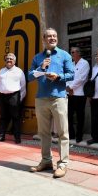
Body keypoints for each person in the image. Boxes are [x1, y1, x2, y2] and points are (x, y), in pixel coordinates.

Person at [28, 28, 74, 178]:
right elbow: (29, 76)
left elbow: (72, 74)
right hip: (41, 98)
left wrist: (58, 76)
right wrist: (41, 67)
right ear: (44, 39)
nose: (52, 38)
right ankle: (46, 161)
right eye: (49, 36)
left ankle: (63, 164)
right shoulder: (38, 57)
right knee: (44, 133)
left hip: (58, 98)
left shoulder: (64, 55)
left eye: (54, 36)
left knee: (62, 133)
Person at [0, 53, 26, 144]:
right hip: (3, 96)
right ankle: (1, 136)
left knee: (16, 117)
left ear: (14, 61)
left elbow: (23, 86)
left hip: (14, 96)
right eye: (7, 58)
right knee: (3, 117)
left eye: (11, 59)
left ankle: (17, 137)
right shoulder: (1, 71)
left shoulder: (19, 71)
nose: (9, 60)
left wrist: (20, 99)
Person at [66, 47, 90, 143]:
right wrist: (68, 87)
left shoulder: (85, 63)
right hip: (70, 94)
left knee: (80, 116)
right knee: (69, 116)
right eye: (71, 52)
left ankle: (79, 136)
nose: (71, 54)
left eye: (73, 52)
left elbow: (81, 79)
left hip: (80, 94)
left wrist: (71, 87)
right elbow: (67, 77)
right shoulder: (71, 64)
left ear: (78, 53)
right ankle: (71, 134)